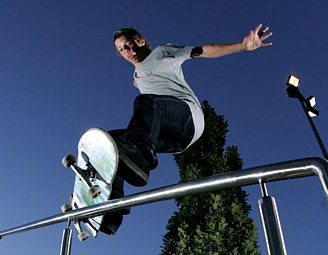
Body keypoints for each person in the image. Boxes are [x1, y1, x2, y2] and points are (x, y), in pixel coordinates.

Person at [101, 23, 273, 234]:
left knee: (146, 102)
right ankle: (111, 212)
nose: (127, 51)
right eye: (121, 49)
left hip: (188, 118)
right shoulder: (136, 77)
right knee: (111, 142)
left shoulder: (162, 52)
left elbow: (204, 50)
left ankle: (140, 158)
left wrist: (242, 46)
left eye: (129, 44)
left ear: (141, 40)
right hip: (172, 138)